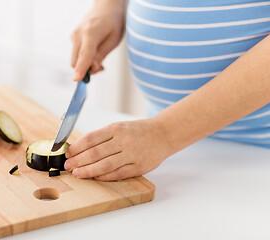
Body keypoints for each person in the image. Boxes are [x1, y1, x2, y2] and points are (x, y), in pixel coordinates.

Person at [63, 0, 270, 181]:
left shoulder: (162, 135)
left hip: (256, 158)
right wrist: (108, 5)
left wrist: (165, 133)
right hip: (169, 148)